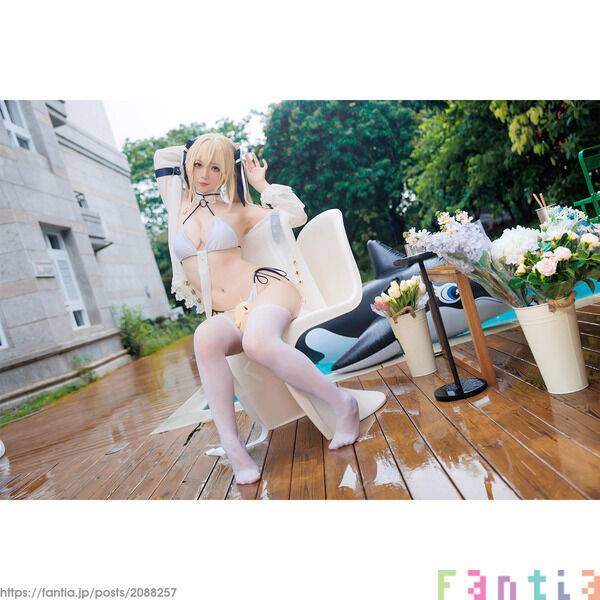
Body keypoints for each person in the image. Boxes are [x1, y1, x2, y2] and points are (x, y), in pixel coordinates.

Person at [154, 134, 359, 485]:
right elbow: (162, 156)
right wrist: (214, 145)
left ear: (225, 173)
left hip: (267, 289)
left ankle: (342, 403)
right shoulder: (177, 203)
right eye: (197, 164)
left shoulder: (239, 210)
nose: (203, 175)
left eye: (215, 168)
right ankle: (234, 447)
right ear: (187, 165)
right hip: (229, 312)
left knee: (257, 342)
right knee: (204, 337)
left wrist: (260, 184)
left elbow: (296, 215)